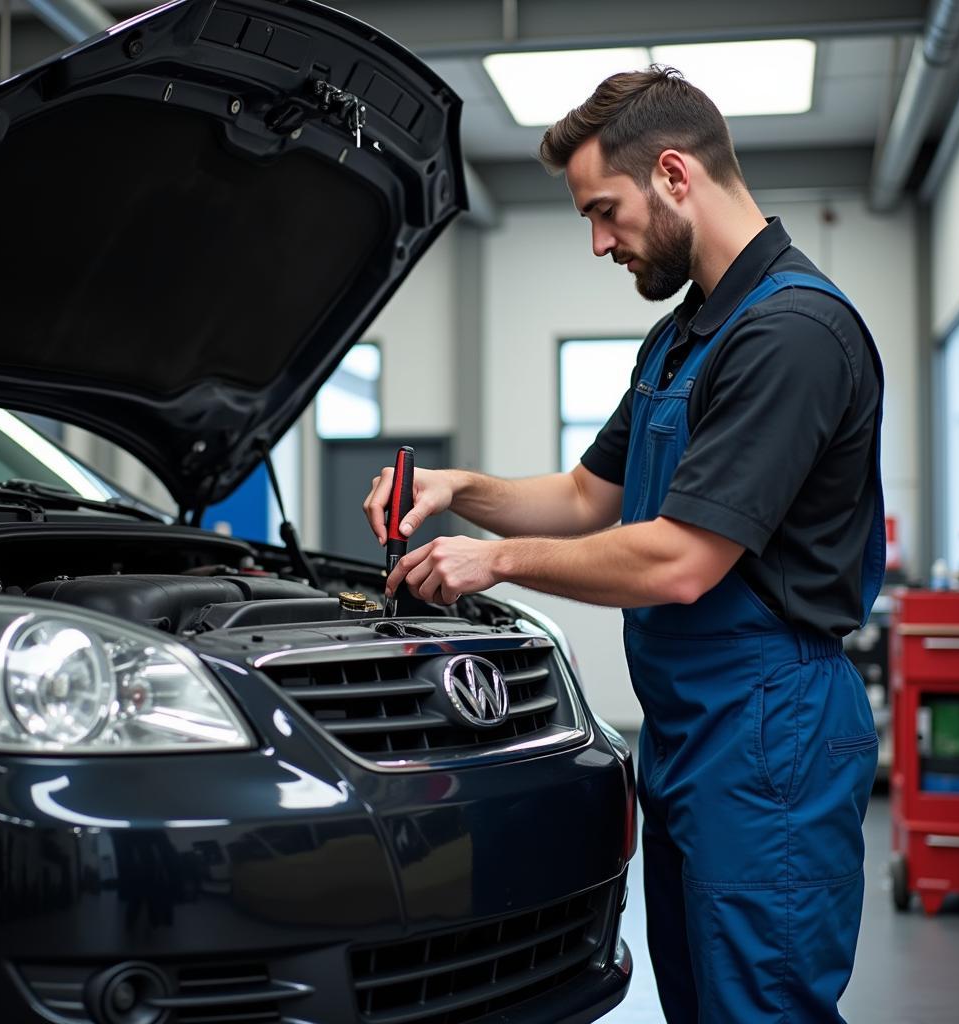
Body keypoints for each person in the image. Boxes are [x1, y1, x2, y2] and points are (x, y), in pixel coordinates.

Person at [363, 66, 883, 1024]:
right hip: (687, 731)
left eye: (606, 210)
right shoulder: (682, 339)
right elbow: (582, 496)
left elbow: (682, 562)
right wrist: (457, 492)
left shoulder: (793, 334)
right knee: (695, 1002)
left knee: (760, 1010)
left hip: (771, 732)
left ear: (676, 175)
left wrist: (497, 561)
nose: (601, 241)